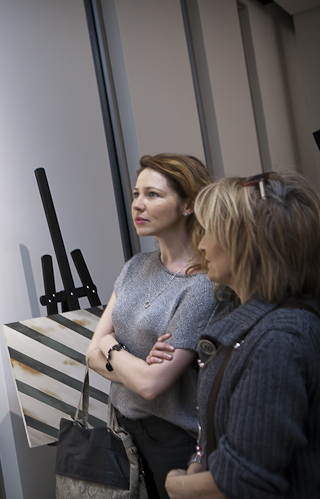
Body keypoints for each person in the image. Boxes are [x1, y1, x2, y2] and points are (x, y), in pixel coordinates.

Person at [147, 172, 320, 499]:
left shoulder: (280, 339)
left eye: (210, 232)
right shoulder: (244, 318)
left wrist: (177, 485)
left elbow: (244, 481)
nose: (201, 245)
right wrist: (199, 465)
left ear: (245, 243)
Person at [86, 153, 221, 499]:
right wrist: (137, 367)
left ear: (187, 205)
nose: (138, 204)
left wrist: (111, 346)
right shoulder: (134, 267)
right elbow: (91, 353)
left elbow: (150, 385)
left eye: (153, 195)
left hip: (173, 440)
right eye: (136, 194)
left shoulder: (202, 284)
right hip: (122, 429)